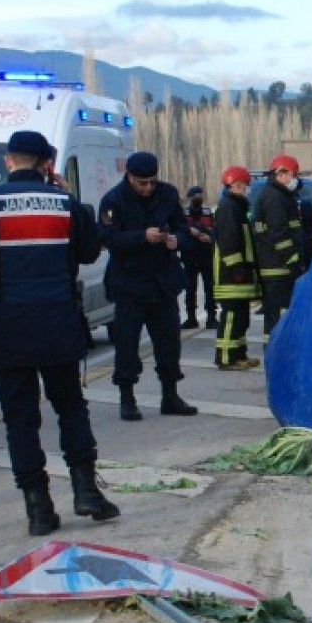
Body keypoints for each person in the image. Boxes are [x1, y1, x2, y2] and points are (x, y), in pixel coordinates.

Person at [0, 130, 120, 536]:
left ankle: (39, 509)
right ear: (47, 165)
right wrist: (70, 198)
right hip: (58, 326)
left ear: (9, 161)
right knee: (71, 407)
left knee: (19, 421)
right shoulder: (66, 206)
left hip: (7, 330)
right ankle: (87, 492)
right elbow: (90, 252)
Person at [99, 151, 198, 421]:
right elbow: (109, 238)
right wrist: (142, 237)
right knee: (127, 345)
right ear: (129, 177)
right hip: (130, 284)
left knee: (169, 343)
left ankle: (170, 394)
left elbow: (182, 227)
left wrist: (177, 240)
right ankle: (127, 397)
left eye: (152, 182)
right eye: (142, 183)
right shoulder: (113, 200)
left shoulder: (167, 194)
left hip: (163, 282)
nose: (148, 188)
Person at [252, 153, 306, 344]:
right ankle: (277, 354)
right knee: (279, 316)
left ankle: (277, 352)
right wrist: (293, 261)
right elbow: (279, 235)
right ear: (280, 173)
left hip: (277, 267)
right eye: (293, 174)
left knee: (277, 316)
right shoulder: (275, 198)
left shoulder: (277, 195)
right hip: (279, 268)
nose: (295, 179)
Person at [213, 166, 262, 370]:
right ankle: (226, 358)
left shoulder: (237, 207)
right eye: (243, 185)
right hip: (231, 275)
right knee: (232, 316)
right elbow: (229, 241)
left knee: (241, 317)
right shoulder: (228, 208)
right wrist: (236, 267)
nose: (246, 189)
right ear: (233, 185)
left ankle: (239, 355)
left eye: (246, 186)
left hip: (239, 273)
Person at [179, 185, 216, 330]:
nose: (198, 198)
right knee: (190, 288)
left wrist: (208, 236)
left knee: (209, 288)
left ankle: (212, 318)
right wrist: (192, 232)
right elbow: (181, 230)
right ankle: (191, 318)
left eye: (200, 195)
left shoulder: (207, 211)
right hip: (190, 255)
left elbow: (214, 230)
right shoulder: (184, 214)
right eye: (196, 195)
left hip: (206, 254)